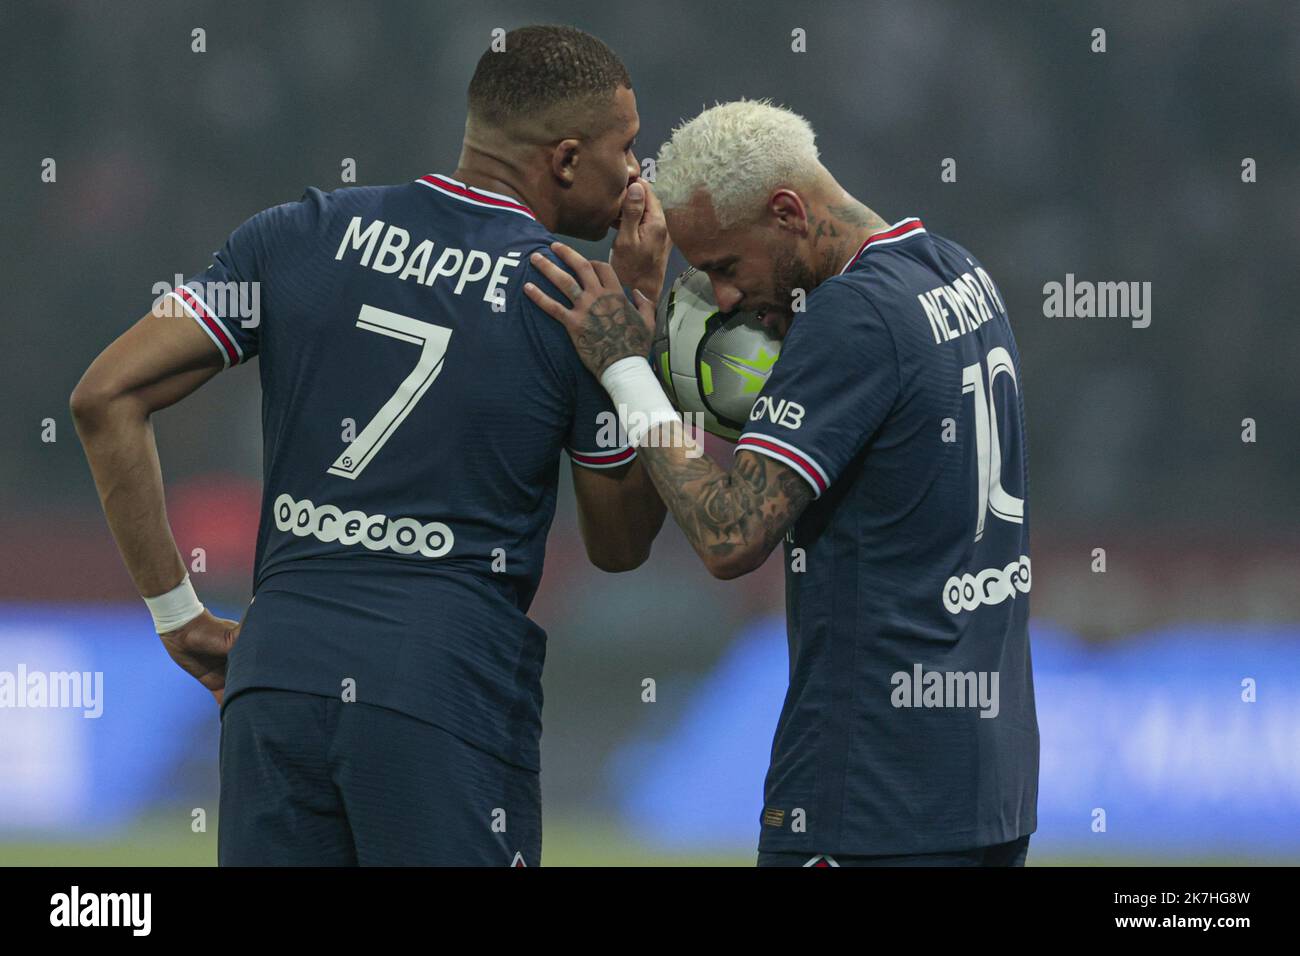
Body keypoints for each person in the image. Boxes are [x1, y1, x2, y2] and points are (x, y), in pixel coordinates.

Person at [70, 24, 668, 866]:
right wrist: (637, 322)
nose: (638, 175)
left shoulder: (295, 234)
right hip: (443, 689)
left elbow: (104, 395)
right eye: (629, 148)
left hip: (275, 679)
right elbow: (619, 544)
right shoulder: (572, 303)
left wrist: (178, 616)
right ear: (567, 159)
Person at [524, 98, 1039, 866]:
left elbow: (729, 535)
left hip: (869, 791)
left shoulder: (853, 318)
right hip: (989, 787)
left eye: (726, 268)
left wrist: (627, 367)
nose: (725, 298)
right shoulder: (957, 271)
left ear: (788, 211)